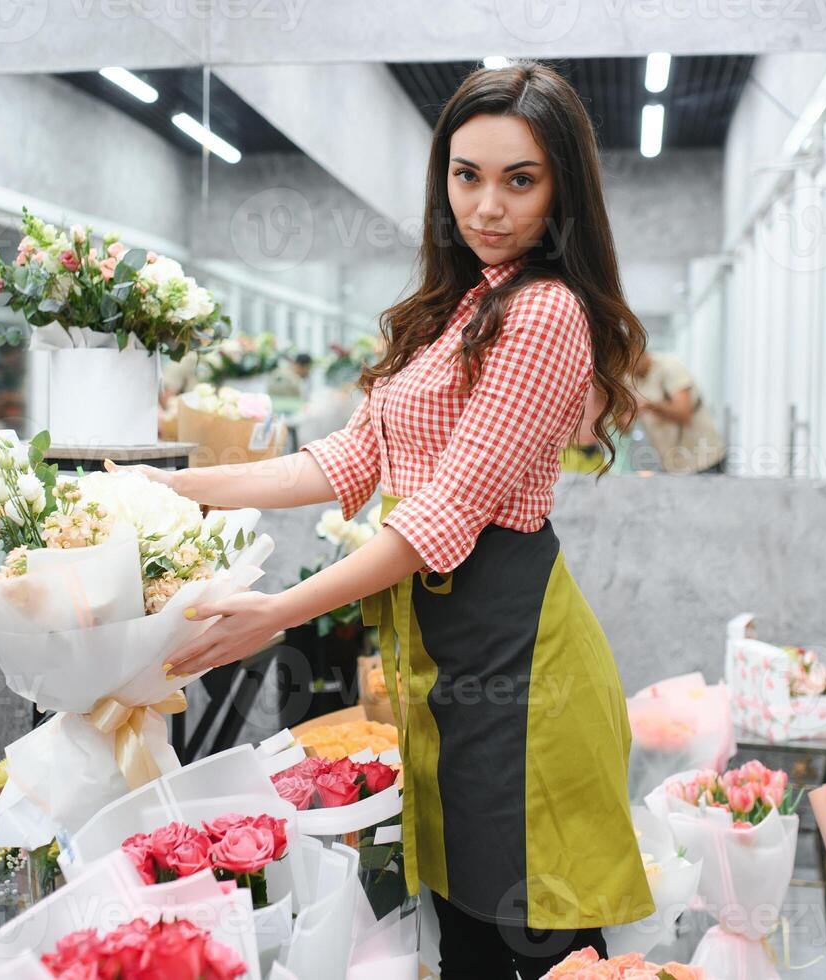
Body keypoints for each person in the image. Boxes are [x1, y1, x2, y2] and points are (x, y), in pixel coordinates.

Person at [110, 62, 652, 978]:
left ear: (563, 186)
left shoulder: (546, 313)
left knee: (540, 940)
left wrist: (278, 612)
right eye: (465, 174)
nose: (486, 205)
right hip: (447, 655)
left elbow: (444, 511)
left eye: (519, 179)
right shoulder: (459, 309)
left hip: (520, 674)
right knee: (467, 930)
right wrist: (181, 490)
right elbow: (345, 460)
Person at [627, 349, 726, 474]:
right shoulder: (629, 379)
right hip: (672, 465)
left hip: (704, 460)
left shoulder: (669, 366)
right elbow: (624, 426)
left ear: (640, 352)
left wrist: (650, 406)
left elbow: (684, 413)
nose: (626, 366)